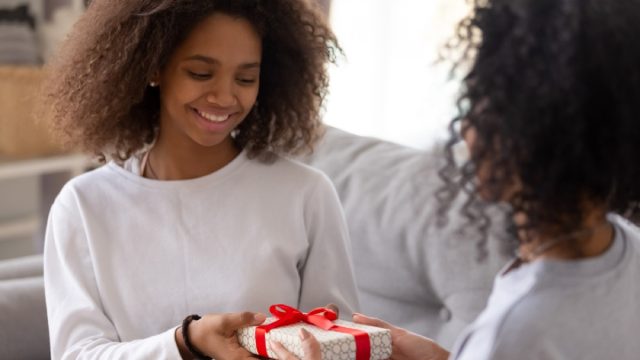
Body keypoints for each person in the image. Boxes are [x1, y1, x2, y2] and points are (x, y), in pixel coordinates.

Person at [269, 0, 640, 359]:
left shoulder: (516, 330)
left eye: (482, 110)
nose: (465, 130)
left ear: (539, 138)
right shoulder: (629, 247)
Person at [41, 0, 359, 358]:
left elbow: (341, 339)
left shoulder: (306, 195)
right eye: (200, 73)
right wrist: (183, 343)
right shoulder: (85, 205)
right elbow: (76, 353)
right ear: (155, 67)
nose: (224, 96)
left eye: (245, 78)